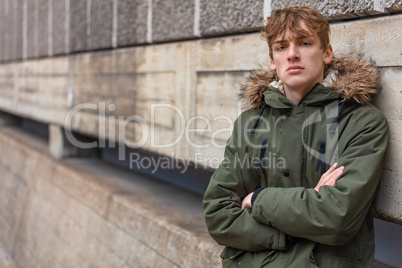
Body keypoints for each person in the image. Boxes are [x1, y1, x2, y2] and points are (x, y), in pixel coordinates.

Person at [203, 6, 389, 268]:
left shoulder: (361, 122)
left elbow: (336, 217)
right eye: (281, 47)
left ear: (326, 53)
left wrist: (257, 199)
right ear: (272, 60)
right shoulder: (251, 124)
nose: (292, 54)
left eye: (305, 43)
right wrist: (300, 218)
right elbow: (218, 213)